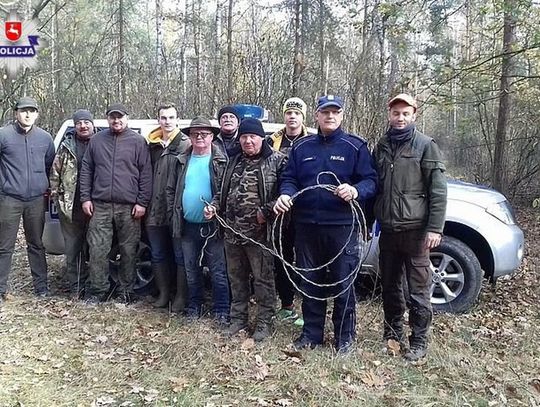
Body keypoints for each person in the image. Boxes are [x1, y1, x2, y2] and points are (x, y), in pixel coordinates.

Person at [274, 95, 377, 353]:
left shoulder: (355, 147)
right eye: (325, 112)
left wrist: (355, 190)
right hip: (307, 227)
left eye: (335, 112)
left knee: (343, 284)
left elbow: (371, 181)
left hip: (342, 228)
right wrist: (286, 193)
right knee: (310, 282)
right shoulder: (302, 147)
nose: (330, 117)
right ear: (317, 116)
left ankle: (344, 338)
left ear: (341, 116)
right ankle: (311, 334)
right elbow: (289, 178)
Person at [374, 93, 447, 361]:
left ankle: (419, 340)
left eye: (406, 113)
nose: (400, 118)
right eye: (396, 113)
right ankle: (392, 334)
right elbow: (375, 188)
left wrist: (435, 228)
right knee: (390, 287)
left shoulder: (426, 146)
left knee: (417, 291)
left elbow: (438, 191)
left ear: (414, 115)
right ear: (389, 114)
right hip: (389, 232)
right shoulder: (381, 146)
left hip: (416, 232)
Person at [205, 118, 287, 342]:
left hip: (261, 237)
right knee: (236, 279)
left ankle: (264, 323)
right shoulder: (233, 161)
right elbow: (222, 191)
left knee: (263, 281)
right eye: (244, 137)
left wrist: (267, 211)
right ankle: (238, 319)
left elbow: (287, 194)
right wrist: (213, 206)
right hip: (232, 233)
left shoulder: (277, 161)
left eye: (252, 136)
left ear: (262, 137)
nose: (248, 141)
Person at [79, 103, 152, 304]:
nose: (116, 120)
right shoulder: (96, 141)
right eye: (112, 117)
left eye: (120, 117)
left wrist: (142, 202)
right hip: (100, 205)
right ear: (107, 119)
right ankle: (98, 290)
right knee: (97, 250)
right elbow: (87, 171)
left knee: (129, 251)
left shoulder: (138, 142)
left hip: (129, 207)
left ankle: (126, 291)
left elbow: (146, 174)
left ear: (127, 118)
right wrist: (85, 198)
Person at [166, 117, 229, 323]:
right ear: (190, 137)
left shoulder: (222, 161)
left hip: (213, 226)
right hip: (187, 225)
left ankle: (221, 310)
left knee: (218, 270)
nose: (200, 137)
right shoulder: (181, 160)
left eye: (204, 134)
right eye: (195, 134)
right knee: (191, 269)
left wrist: (216, 208)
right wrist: (172, 213)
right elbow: (171, 190)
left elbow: (226, 192)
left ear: (212, 137)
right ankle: (195, 306)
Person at [0, 97, 55, 304]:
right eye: (24, 111)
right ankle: (1, 288)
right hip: (9, 199)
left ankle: (41, 287)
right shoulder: (3, 135)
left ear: (37, 114)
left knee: (36, 244)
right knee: (5, 246)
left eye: (32, 111)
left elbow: (50, 164)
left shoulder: (45, 138)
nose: (28, 114)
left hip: (36, 200)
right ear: (16, 113)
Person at [268, 97, 310, 326]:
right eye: (289, 113)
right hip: (279, 211)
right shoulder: (272, 140)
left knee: (305, 259)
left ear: (303, 117)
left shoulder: (313, 141)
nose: (292, 117)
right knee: (281, 258)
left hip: (305, 212)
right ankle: (286, 305)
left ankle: (307, 307)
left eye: (297, 113)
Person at [146, 103, 191, 310]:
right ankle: (163, 294)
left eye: (171, 117)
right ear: (158, 120)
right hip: (153, 210)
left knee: (179, 254)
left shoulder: (186, 144)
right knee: (157, 253)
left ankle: (181, 297)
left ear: (177, 120)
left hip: (176, 209)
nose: (167, 121)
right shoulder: (150, 144)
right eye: (163, 117)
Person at [49, 109, 95, 299]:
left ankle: (95, 286)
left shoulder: (103, 142)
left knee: (96, 248)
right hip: (71, 207)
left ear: (93, 124)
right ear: (75, 126)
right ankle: (76, 287)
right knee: (73, 249)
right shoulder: (66, 146)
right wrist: (57, 199)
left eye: (86, 122)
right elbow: (54, 174)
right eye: (79, 123)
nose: (83, 126)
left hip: (98, 206)